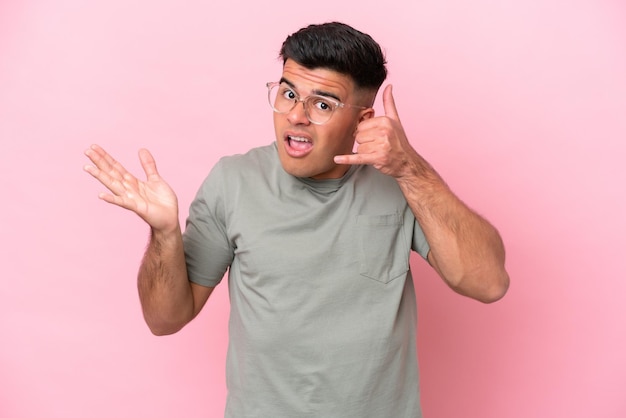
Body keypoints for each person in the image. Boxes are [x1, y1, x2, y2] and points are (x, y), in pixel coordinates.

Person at [84, 22, 509, 418]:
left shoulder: (399, 183)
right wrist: (163, 233)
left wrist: (410, 169)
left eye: (322, 103)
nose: (296, 115)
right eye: (288, 93)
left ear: (363, 120)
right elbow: (164, 319)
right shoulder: (233, 182)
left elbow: (487, 282)